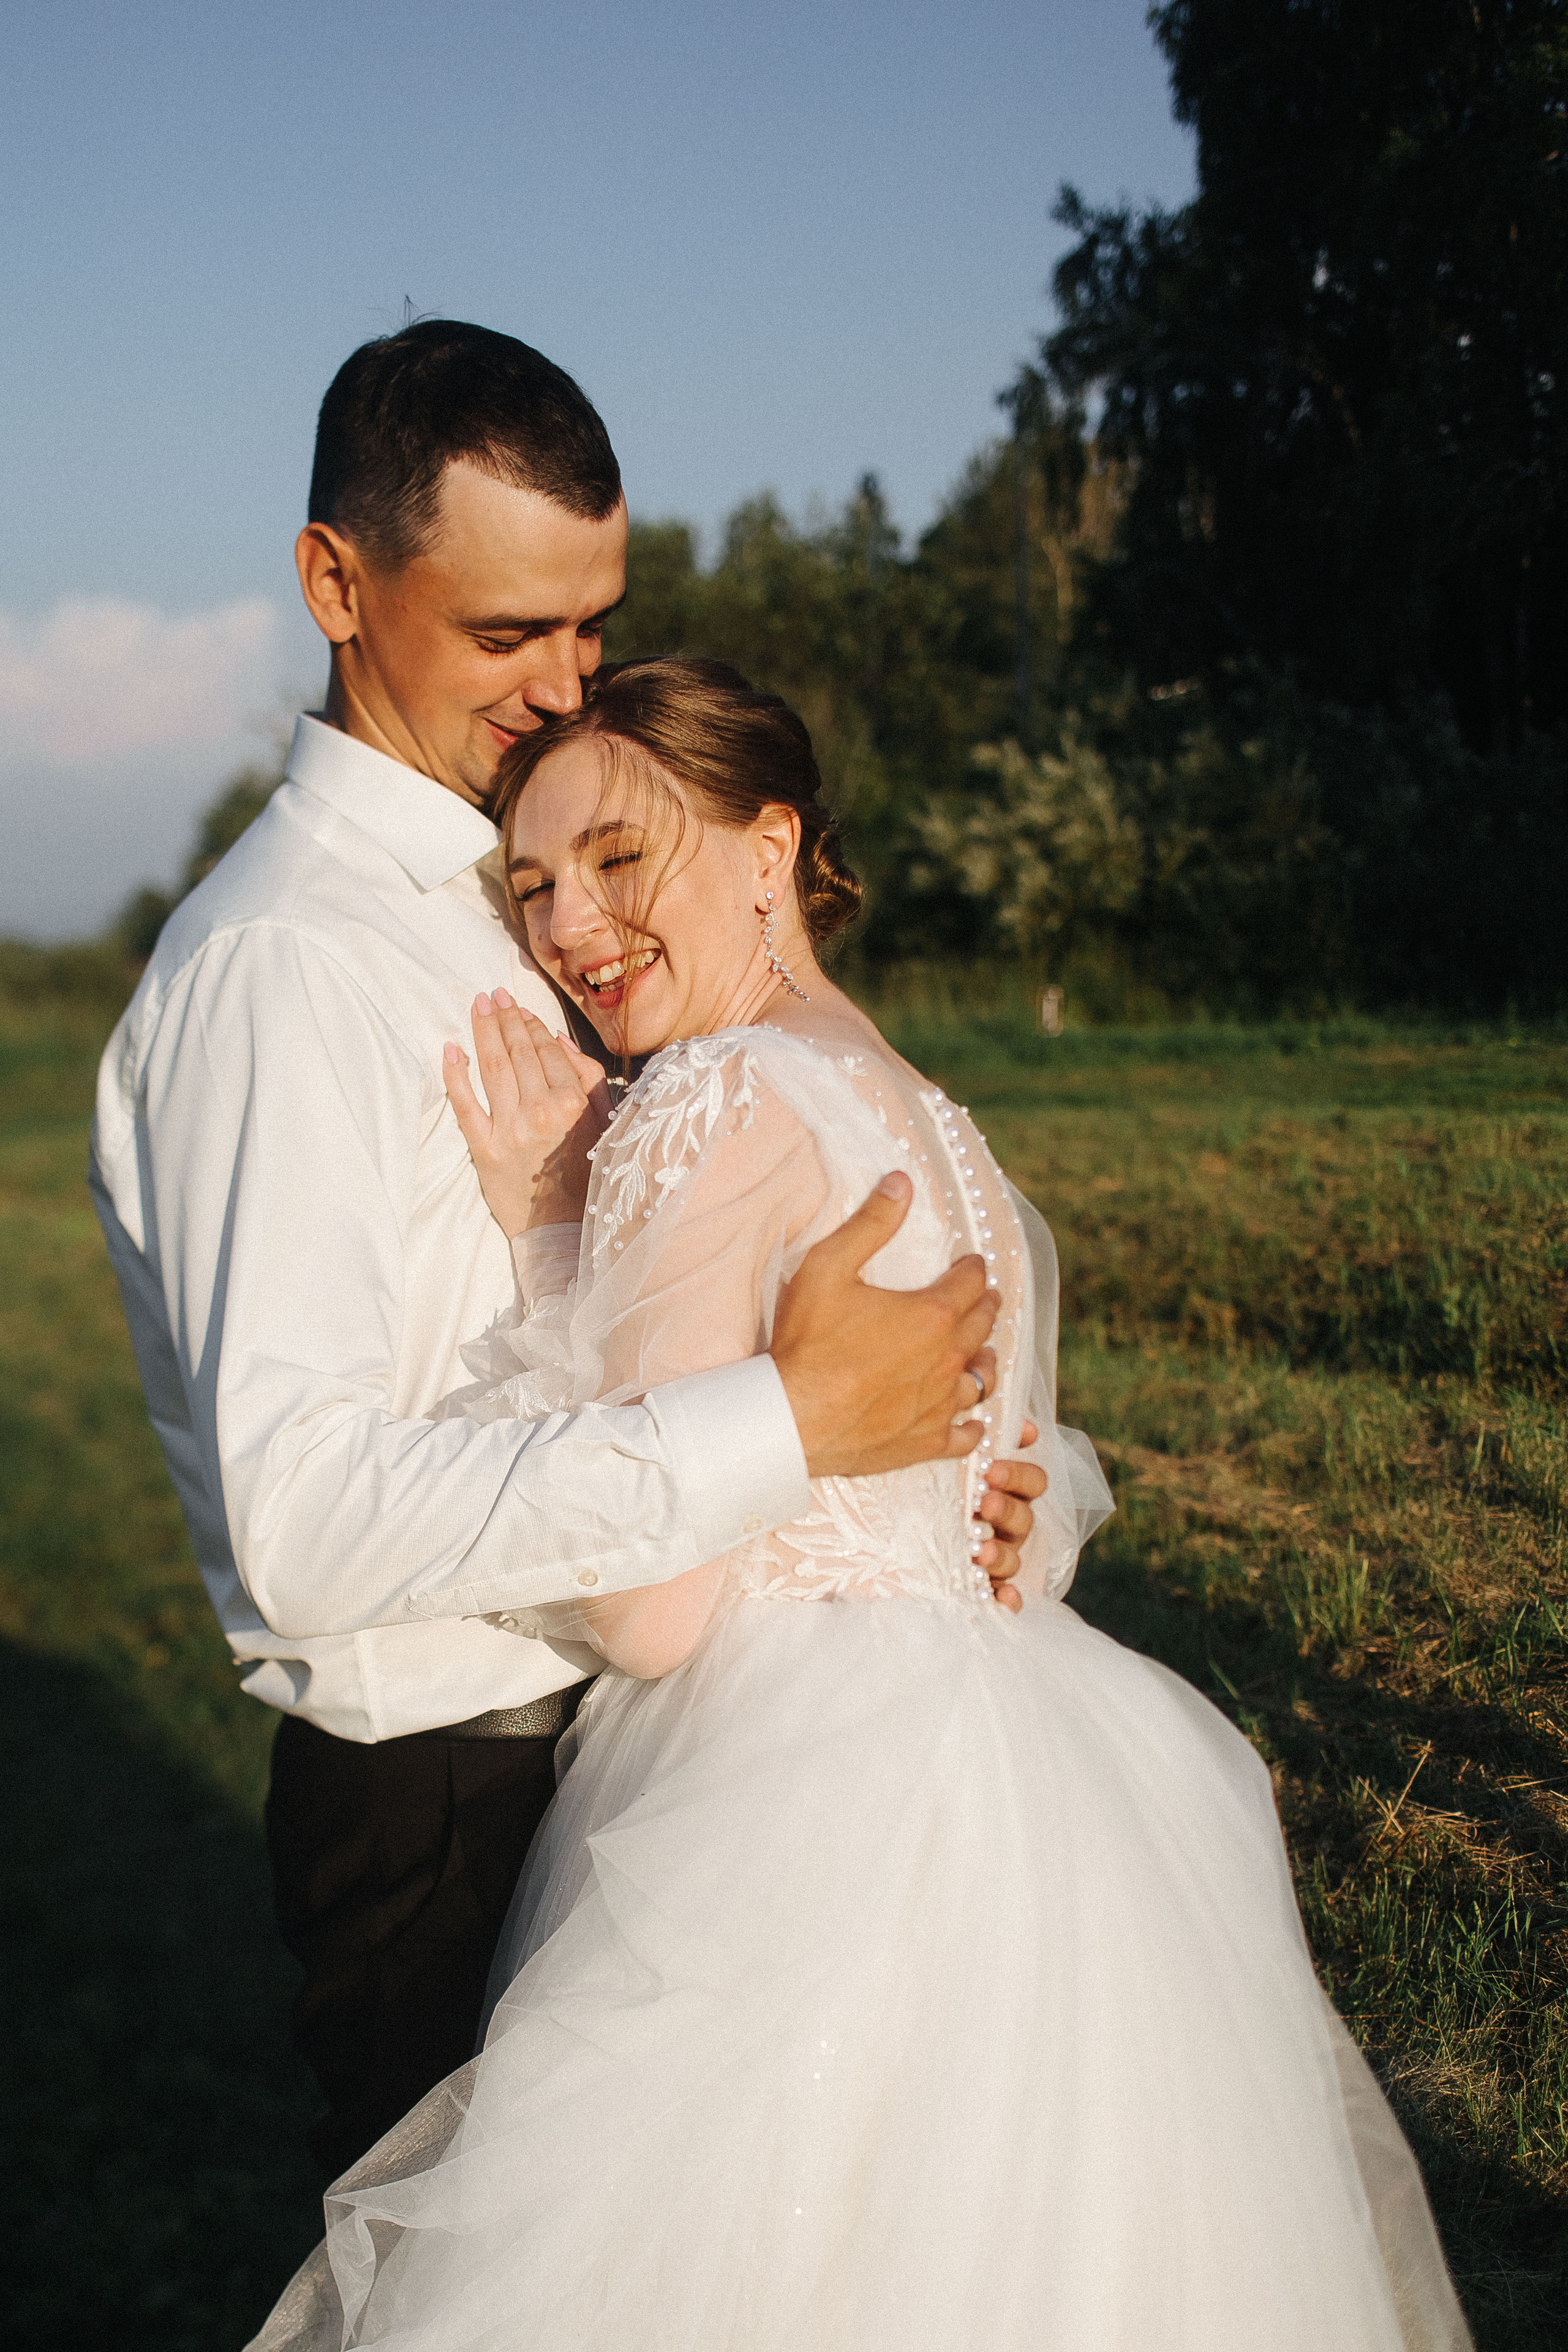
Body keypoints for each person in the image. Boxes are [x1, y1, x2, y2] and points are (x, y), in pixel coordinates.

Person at [250, 658, 1471, 2352]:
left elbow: (653, 1612)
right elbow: (1005, 1493)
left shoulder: (708, 1100)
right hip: (1039, 1768)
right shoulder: (940, 1117)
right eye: (529, 887)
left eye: (620, 859)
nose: (568, 930)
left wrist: (551, 1229)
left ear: (772, 847)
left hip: (793, 1802)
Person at [88, 323, 1044, 2179]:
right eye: (508, 637)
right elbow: (305, 1518)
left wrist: (955, 1489)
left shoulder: (521, 878)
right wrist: (793, 1429)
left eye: (592, 629)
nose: (562, 688)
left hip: (654, 1743)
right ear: (336, 585)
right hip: (452, 1799)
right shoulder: (287, 969)